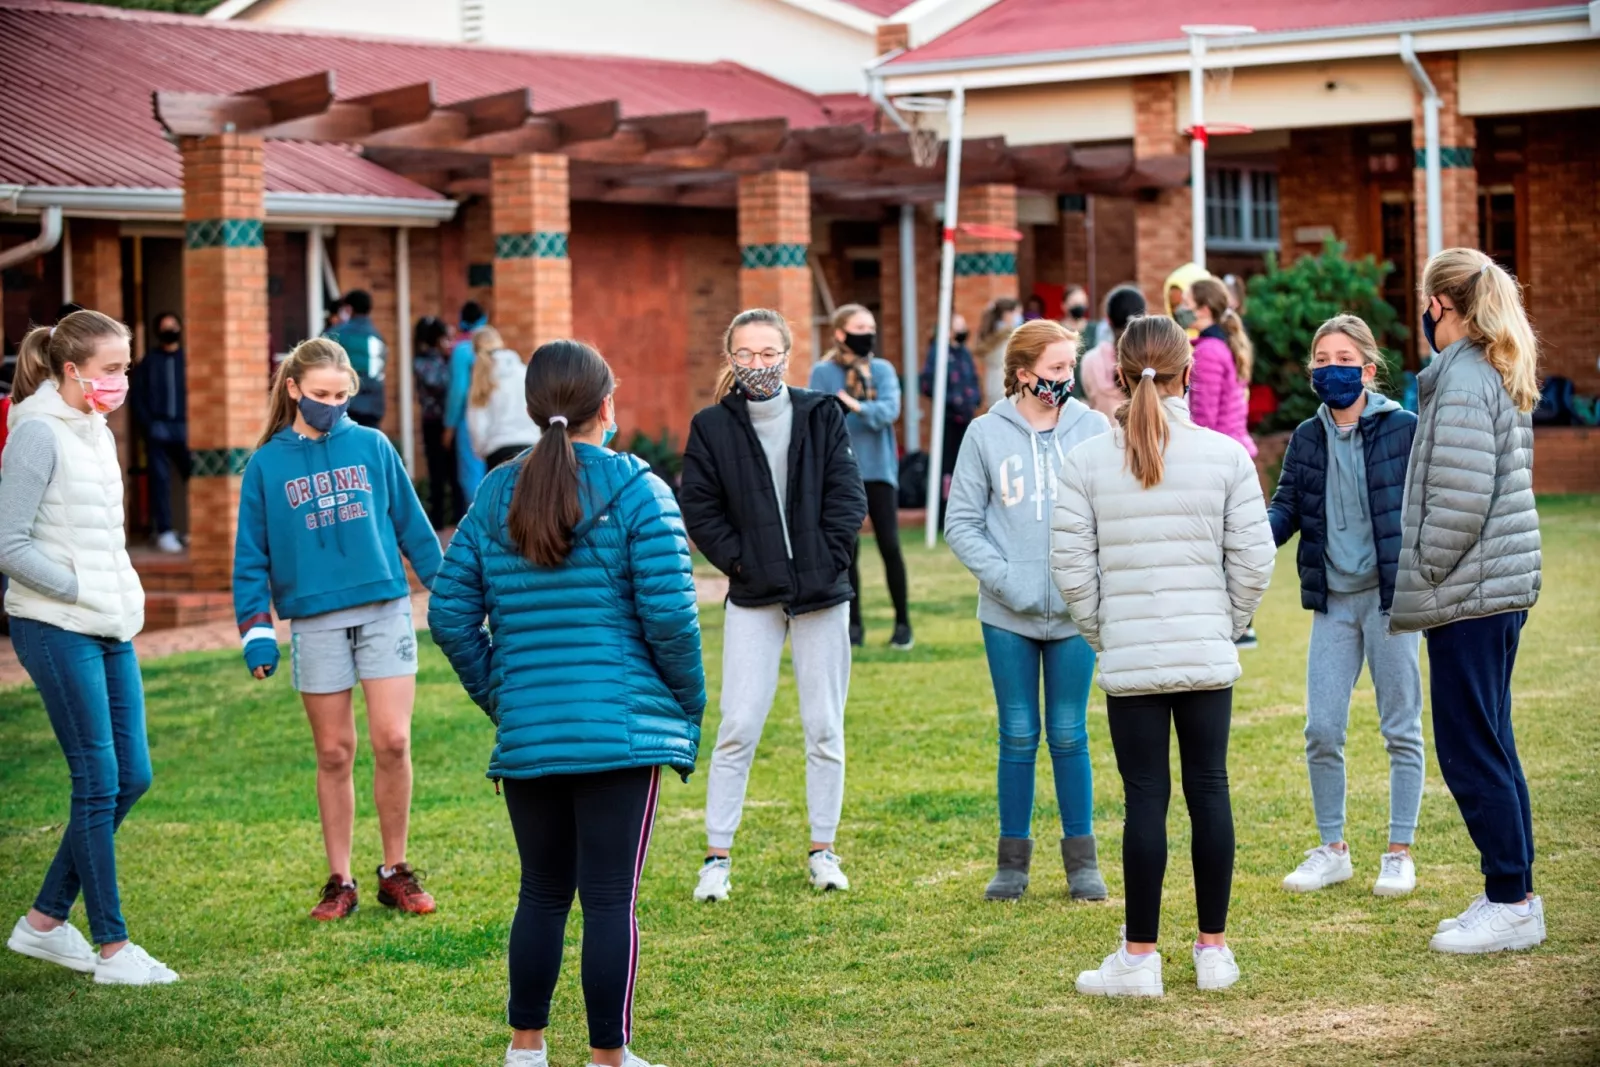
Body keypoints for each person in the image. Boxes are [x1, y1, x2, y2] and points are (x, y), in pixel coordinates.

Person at [429, 339, 703, 1067]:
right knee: (610, 899)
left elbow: (451, 617)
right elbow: (672, 618)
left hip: (535, 732)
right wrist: (687, 701)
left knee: (544, 892)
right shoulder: (639, 488)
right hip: (621, 731)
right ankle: (608, 1056)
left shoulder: (494, 493)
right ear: (605, 407)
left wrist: (506, 697)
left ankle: (527, 1048)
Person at [1050, 314, 1275, 997]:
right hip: (1204, 649)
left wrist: (1105, 632)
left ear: (1116, 374)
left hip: (1132, 655)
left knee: (1145, 796)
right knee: (1210, 788)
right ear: (1191, 372)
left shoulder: (1085, 461)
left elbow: (1070, 568)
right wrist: (1226, 623)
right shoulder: (1226, 455)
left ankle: (1141, 955)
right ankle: (1213, 948)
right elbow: (1256, 561)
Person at [233, 337, 443, 922]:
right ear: (294, 389)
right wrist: (255, 626)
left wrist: (449, 592)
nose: (332, 404)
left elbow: (414, 527)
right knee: (333, 751)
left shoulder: (373, 446)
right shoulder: (267, 465)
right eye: (321, 395)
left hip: (384, 610)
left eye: (342, 395)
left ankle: (395, 870)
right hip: (315, 620)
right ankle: (340, 879)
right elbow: (251, 554)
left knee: (392, 740)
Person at [0, 310, 177, 986]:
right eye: (112, 369)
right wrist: (76, 585)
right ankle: (111, 946)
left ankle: (45, 920)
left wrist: (110, 587)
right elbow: (9, 543)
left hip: (109, 621)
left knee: (132, 775)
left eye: (126, 368)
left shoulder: (96, 431)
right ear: (72, 370)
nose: (122, 381)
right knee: (97, 780)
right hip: (55, 623)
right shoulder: (37, 434)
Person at [680, 308, 867, 902]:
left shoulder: (821, 414)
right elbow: (701, 510)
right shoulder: (711, 427)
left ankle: (823, 848)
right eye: (746, 354)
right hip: (753, 596)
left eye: (768, 354)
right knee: (738, 724)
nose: (758, 365)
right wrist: (742, 563)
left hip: (821, 595)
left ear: (788, 353)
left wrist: (830, 559)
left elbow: (847, 495)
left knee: (824, 727)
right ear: (730, 358)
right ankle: (717, 856)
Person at [1391, 248, 1544, 955]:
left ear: (1439, 305)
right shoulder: (1493, 366)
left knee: (1471, 746)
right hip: (1493, 588)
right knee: (1493, 740)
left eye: (1424, 303)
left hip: (1471, 593)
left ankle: (1512, 901)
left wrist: (1423, 564)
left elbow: (1459, 497)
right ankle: (1510, 890)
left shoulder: (1461, 377)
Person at [945, 319, 1111, 902]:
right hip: (1006, 616)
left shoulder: (1094, 428)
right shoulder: (985, 434)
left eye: (1070, 368)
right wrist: (1009, 582)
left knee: (1070, 733)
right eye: (1056, 370)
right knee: (1017, 733)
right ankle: (1011, 863)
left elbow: (1108, 514)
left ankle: (1082, 861)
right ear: (1023, 373)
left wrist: (1083, 584)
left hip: (1074, 616)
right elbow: (961, 523)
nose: (1067, 379)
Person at [1267, 315, 1423, 897]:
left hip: (1390, 602)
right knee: (1323, 727)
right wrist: (1252, 533)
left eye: (1343, 359)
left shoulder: (1403, 429)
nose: (1331, 368)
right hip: (1333, 601)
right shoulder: (1307, 437)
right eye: (1321, 359)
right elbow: (1286, 507)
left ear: (1368, 367)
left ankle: (1399, 850)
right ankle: (1332, 848)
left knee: (1400, 726)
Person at [808, 304, 911, 650]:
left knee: (890, 546)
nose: (867, 333)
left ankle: (902, 624)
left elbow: (889, 412)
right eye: (859, 327)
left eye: (871, 326)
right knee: (847, 552)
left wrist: (853, 405)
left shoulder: (881, 370)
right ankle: (853, 627)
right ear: (840, 333)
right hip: (840, 471)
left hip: (879, 470)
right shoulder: (823, 372)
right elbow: (818, 415)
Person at [1188, 277, 1261, 650]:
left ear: (1202, 308)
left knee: (1215, 546)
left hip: (1219, 458)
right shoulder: (1222, 345)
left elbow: (1203, 414)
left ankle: (1236, 624)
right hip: (1237, 452)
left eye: (1187, 303)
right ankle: (1242, 623)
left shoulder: (1208, 351)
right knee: (1233, 543)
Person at [129, 310, 189, 554]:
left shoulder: (187, 360)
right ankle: (164, 531)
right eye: (165, 326)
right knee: (160, 482)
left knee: (195, 478)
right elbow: (137, 398)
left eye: (173, 325)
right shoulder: (149, 363)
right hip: (158, 431)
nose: (170, 330)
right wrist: (149, 425)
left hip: (185, 428)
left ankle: (194, 528)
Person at [919, 313, 981, 525]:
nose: (962, 330)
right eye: (958, 326)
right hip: (947, 419)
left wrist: (973, 399)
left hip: (966, 418)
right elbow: (928, 384)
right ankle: (941, 513)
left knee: (965, 466)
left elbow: (972, 379)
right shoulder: (938, 353)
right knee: (945, 468)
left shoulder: (964, 353)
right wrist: (953, 402)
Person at [466, 326, 542, 471]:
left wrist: (481, 449)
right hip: (531, 448)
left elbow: (477, 424)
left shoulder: (482, 379)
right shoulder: (524, 372)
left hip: (498, 452)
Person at [412, 315, 461, 528]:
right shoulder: (425, 362)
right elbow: (440, 384)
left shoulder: (441, 360)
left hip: (447, 421)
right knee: (438, 473)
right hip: (435, 422)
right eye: (444, 338)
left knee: (453, 472)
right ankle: (440, 520)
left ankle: (457, 517)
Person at [445, 302, 490, 507]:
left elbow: (458, 391)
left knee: (471, 475)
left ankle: (478, 526)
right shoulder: (494, 348)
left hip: (469, 419)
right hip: (494, 418)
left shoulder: (462, 350)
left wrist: (449, 426)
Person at [323, 289, 387, 430]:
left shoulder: (337, 333)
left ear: (348, 309)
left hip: (346, 406)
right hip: (374, 408)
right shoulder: (378, 337)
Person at [1079, 286, 1145, 420]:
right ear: (1144, 318)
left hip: (1104, 438)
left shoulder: (1090, 360)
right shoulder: (1158, 359)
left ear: (1108, 319)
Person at [976, 297, 1022, 409]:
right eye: (1016, 312)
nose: (1018, 316)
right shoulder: (1002, 337)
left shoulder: (992, 334)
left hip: (996, 386)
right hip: (1003, 387)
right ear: (1006, 314)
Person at [1163, 263, 1210, 336]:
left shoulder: (1211, 343)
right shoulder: (1170, 340)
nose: (1177, 311)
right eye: (1173, 305)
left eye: (1184, 304)